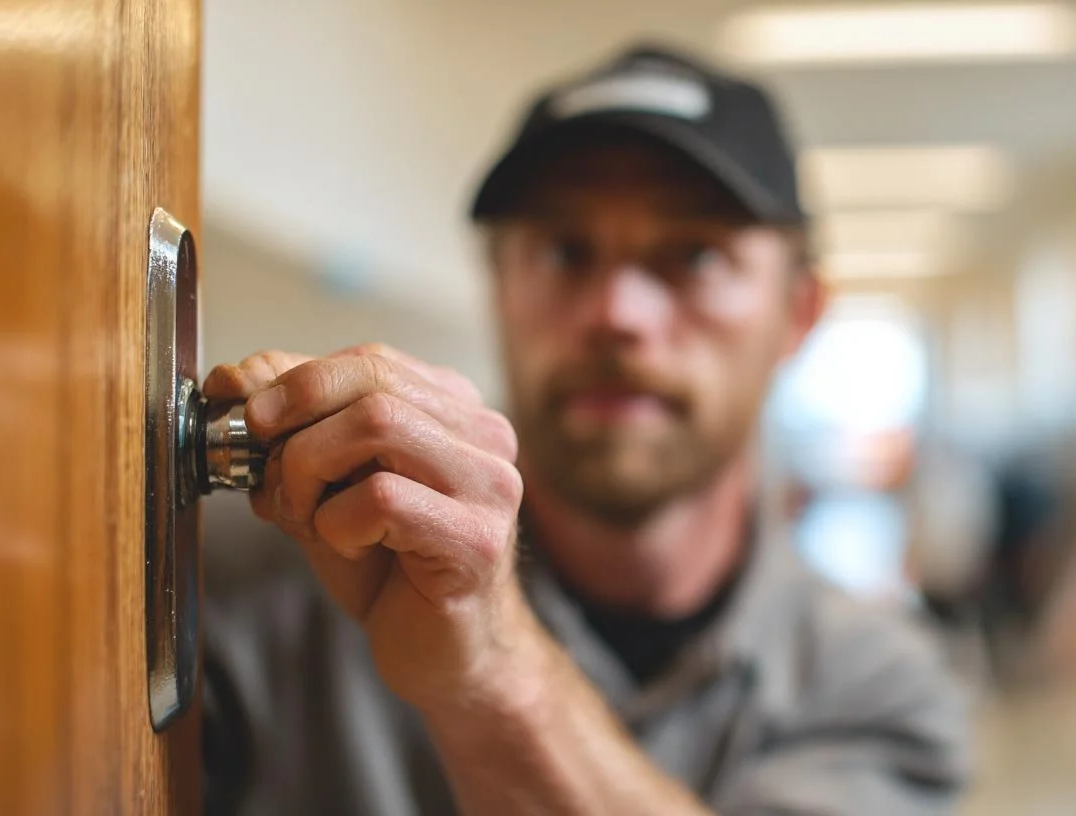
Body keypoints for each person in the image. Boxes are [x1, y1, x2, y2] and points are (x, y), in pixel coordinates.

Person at [201, 44, 967, 815]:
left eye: (695, 256)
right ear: (499, 289)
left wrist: (492, 671)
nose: (616, 316)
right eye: (565, 252)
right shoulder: (248, 595)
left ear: (797, 317)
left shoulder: (880, 684)